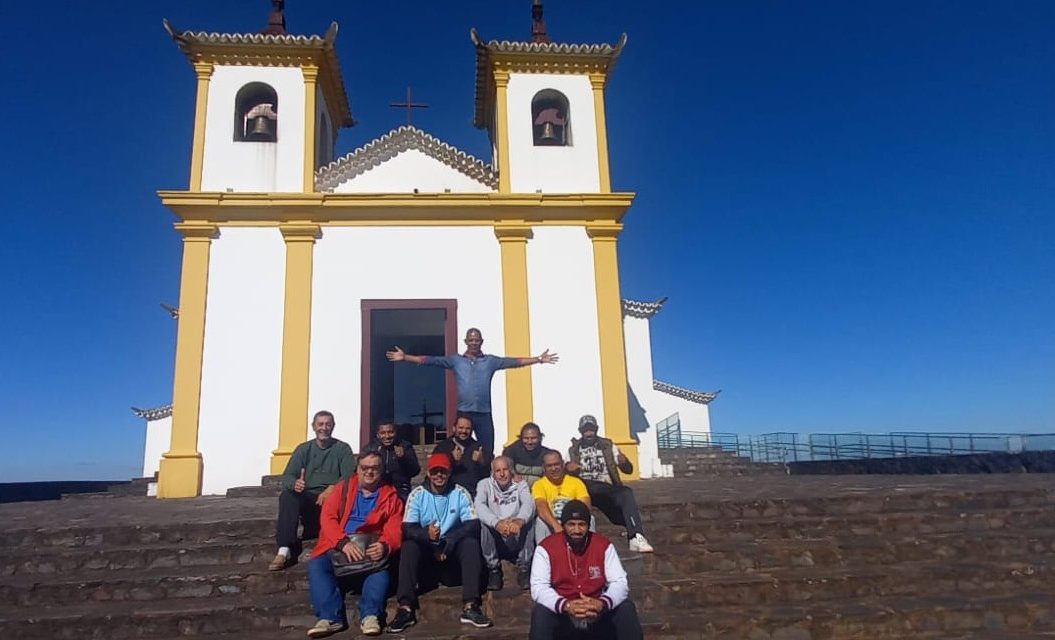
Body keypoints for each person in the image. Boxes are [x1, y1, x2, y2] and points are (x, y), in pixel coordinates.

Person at [386, 327, 559, 455]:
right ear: (466, 342)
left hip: (484, 413)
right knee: (459, 449)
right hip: (464, 413)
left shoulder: (490, 361)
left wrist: (538, 359)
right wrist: (405, 357)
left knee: (487, 450)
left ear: (481, 342)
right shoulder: (456, 361)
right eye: (471, 340)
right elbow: (431, 360)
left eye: (477, 340)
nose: (474, 343)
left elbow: (513, 362)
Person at [390, 452, 493, 632]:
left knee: (470, 544)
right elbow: (407, 527)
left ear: (449, 472)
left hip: (450, 551)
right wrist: (426, 535)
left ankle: (471, 605)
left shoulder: (460, 492)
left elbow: (473, 524)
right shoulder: (417, 495)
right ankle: (405, 608)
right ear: (428, 473)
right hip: (427, 553)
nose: (439, 475)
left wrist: (450, 540)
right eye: (435, 471)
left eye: (443, 472)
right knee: (409, 546)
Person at [305, 451, 403, 637]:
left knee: (380, 569)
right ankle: (330, 617)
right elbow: (328, 518)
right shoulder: (342, 489)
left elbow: (395, 525)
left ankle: (371, 615)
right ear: (357, 469)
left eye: (374, 468)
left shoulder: (390, 496)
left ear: (381, 471)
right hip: (340, 544)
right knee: (317, 564)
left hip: (371, 545)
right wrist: (343, 542)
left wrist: (385, 544)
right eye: (365, 468)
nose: (369, 472)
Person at [529, 499, 644, 640]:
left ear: (589, 526)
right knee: (541, 612)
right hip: (563, 612)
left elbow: (619, 582)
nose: (576, 530)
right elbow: (539, 587)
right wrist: (565, 605)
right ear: (563, 525)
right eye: (571, 524)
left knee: (626, 608)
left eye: (581, 525)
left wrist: (602, 603)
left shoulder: (603, 545)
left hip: (596, 610)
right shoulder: (546, 548)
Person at [271, 410, 356, 571]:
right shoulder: (303, 449)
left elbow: (349, 475)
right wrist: (295, 483)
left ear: (333, 427)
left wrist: (332, 488)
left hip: (333, 500)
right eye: (320, 424)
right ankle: (284, 549)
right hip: (310, 498)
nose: (324, 428)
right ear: (313, 427)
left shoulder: (342, 449)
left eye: (328, 424)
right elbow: (288, 476)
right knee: (288, 496)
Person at [567, 415, 654, 553]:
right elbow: (565, 472)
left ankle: (636, 536)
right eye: (585, 430)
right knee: (590, 486)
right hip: (584, 488)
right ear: (580, 431)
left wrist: (624, 462)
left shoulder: (608, 445)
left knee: (626, 493)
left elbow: (628, 470)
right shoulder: (573, 450)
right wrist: (568, 468)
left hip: (607, 489)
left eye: (591, 429)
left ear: (596, 430)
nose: (589, 433)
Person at [475, 455, 536, 591]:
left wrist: (520, 520)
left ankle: (524, 567)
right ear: (493, 473)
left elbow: (528, 503)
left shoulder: (521, 484)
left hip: (516, 532)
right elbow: (479, 506)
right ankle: (494, 569)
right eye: (498, 471)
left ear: (511, 471)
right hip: (496, 535)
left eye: (505, 470)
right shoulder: (484, 484)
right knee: (484, 523)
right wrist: (496, 523)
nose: (502, 474)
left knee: (530, 519)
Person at [531, 450, 591, 544]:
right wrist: (557, 526)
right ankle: (543, 554)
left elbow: (585, 505)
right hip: (552, 522)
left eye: (556, 464)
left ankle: (588, 553)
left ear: (563, 464)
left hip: (574, 521)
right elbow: (541, 507)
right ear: (544, 468)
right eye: (549, 466)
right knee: (540, 522)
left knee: (591, 519)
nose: (553, 468)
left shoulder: (576, 482)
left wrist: (572, 525)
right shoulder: (539, 484)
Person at [361, 421, 420, 502]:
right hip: (377, 488)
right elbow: (360, 471)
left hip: (400, 489)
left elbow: (415, 471)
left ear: (396, 433)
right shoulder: (371, 448)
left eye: (390, 432)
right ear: (378, 435)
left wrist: (403, 458)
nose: (387, 436)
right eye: (383, 433)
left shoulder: (405, 446)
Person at [432, 416, 489, 497]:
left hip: (472, 495)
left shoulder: (478, 447)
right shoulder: (442, 447)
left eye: (467, 428)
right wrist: (451, 458)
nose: (464, 431)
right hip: (448, 494)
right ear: (454, 428)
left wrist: (481, 461)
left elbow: (487, 475)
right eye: (461, 428)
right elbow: (435, 472)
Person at [502, 422, 553, 487]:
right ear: (521, 438)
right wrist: (513, 475)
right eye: (526, 438)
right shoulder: (510, 451)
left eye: (533, 438)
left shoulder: (547, 454)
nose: (529, 442)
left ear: (540, 438)